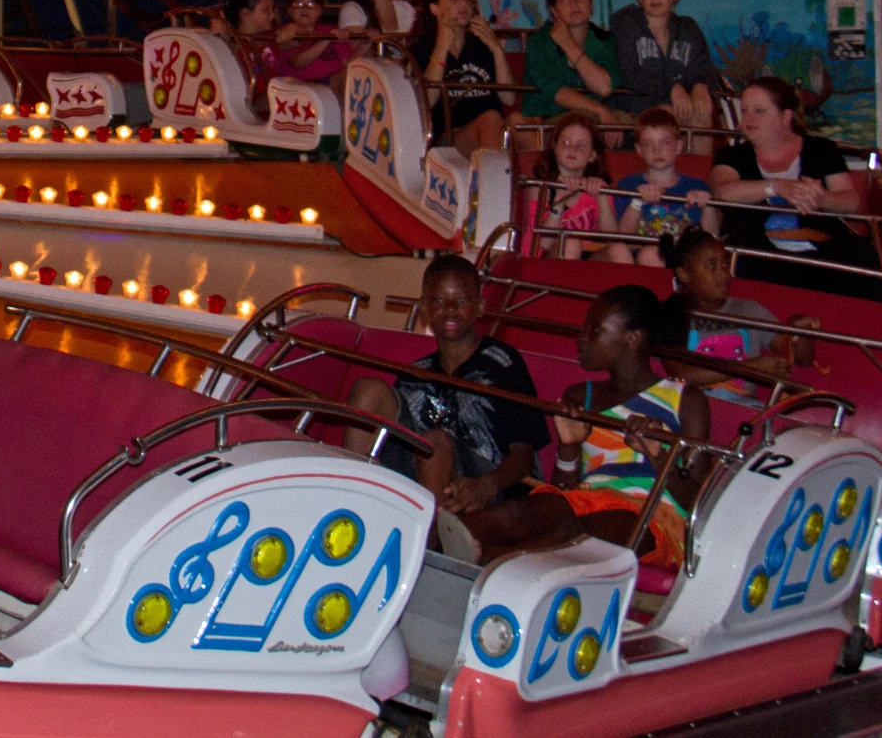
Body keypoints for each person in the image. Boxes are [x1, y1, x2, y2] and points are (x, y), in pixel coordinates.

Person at [343, 256, 557, 559]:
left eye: (461, 300)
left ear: (480, 307)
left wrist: (486, 486)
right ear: (424, 309)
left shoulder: (502, 363)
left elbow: (524, 455)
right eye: (438, 301)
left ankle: (424, 549)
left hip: (484, 486)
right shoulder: (418, 372)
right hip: (422, 478)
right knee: (368, 390)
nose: (450, 309)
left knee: (436, 443)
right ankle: (350, 505)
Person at [542, 286, 711, 569]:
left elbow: (700, 502)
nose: (581, 337)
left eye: (594, 331)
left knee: (579, 529)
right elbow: (562, 487)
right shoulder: (579, 396)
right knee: (531, 512)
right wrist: (569, 447)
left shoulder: (685, 400)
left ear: (632, 339)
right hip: (588, 500)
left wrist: (659, 456)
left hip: (651, 517)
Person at [707, 75, 882, 301]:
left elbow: (851, 201)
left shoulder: (822, 149)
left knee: (861, 257)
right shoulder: (731, 156)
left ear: (785, 116)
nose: (748, 119)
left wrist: (821, 199)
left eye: (759, 111)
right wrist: (777, 187)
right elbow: (723, 190)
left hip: (822, 248)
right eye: (745, 111)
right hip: (759, 253)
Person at [661, 228, 819, 406]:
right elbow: (682, 374)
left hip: (742, 407)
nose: (723, 274)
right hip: (690, 406)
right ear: (684, 274)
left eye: (725, 264)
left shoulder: (748, 309)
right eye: (712, 266)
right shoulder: (671, 312)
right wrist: (750, 368)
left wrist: (800, 331)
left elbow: (801, 358)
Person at [609, 0, 720, 150]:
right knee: (666, 116)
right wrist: (672, 88)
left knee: (701, 113)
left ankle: (699, 176)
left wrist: (701, 86)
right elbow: (629, 74)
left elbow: (704, 67)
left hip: (679, 107)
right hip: (634, 107)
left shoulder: (688, 28)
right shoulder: (625, 22)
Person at [615, 107, 719, 266]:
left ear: (678, 146)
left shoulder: (696, 186)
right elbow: (625, 241)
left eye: (665, 142)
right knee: (652, 255)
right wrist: (636, 203)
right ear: (639, 150)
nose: (657, 150)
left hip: (688, 259)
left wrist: (708, 205)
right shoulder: (628, 185)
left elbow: (711, 240)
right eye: (648, 144)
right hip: (645, 261)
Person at [422, 0, 509, 153]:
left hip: (492, 127)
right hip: (447, 138)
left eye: (468, 0)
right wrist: (442, 46)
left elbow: (509, 98)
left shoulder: (481, 47)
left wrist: (497, 51)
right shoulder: (422, 47)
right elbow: (427, 101)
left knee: (516, 122)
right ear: (435, 8)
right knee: (491, 119)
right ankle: (494, 179)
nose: (462, 5)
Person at [522, 0, 621, 125]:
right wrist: (599, 110)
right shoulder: (539, 42)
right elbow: (555, 91)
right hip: (548, 119)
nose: (573, 4)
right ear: (553, 10)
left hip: (597, 117)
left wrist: (569, 45)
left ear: (591, 1)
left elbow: (604, 88)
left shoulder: (605, 40)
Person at [531, 111, 628, 262]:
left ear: (592, 155)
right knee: (570, 243)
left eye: (581, 145)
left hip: (591, 259)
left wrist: (601, 197)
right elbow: (542, 243)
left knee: (619, 249)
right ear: (555, 148)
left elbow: (611, 239)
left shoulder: (598, 186)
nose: (572, 149)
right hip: (551, 260)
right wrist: (559, 203)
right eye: (566, 143)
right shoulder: (539, 188)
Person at [270, 0, 353, 86]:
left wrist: (366, 43)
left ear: (319, 11)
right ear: (290, 10)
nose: (305, 8)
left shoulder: (329, 29)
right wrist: (327, 39)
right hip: (299, 85)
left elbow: (348, 62)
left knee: (353, 76)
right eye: (299, 4)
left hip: (331, 82)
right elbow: (298, 62)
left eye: (311, 4)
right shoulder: (286, 32)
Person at [213, 0, 277, 93]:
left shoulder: (274, 36)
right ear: (245, 14)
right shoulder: (232, 43)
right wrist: (218, 39)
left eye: (272, 10)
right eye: (266, 10)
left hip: (276, 96)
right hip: (250, 100)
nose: (273, 15)